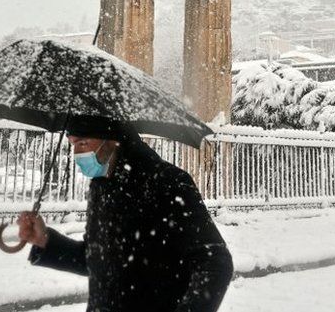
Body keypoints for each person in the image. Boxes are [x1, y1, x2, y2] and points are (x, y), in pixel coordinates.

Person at [16, 121, 233, 312]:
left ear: (112, 140)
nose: (77, 155)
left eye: (83, 144)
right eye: (73, 144)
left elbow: (215, 262)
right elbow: (98, 260)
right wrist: (45, 240)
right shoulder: (102, 187)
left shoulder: (166, 182)